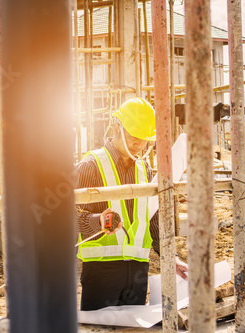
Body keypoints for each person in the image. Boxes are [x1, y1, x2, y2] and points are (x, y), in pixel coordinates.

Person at [75, 97, 188, 311]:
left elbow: (151, 216)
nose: (140, 144)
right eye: (134, 137)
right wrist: (96, 221)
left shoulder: (143, 168)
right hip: (101, 272)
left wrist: (169, 255)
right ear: (117, 127)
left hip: (138, 271)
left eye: (145, 139)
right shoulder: (90, 166)